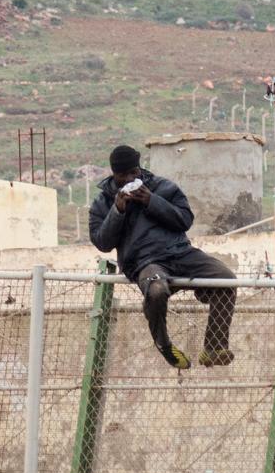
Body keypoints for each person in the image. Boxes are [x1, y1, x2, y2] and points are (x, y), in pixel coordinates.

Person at [89, 145, 237, 369]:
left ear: (139, 168)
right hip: (144, 262)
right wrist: (117, 211)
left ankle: (214, 347)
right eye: (123, 175)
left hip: (180, 252)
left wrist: (151, 200)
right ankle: (164, 344)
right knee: (156, 290)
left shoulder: (163, 187)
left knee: (225, 279)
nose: (130, 178)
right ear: (114, 174)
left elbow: (185, 220)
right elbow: (102, 242)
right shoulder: (103, 203)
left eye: (134, 172)